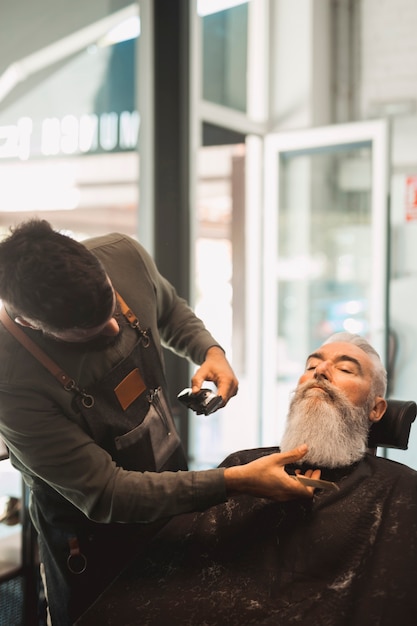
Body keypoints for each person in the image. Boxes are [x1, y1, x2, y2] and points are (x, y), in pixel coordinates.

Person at [0, 219, 318, 625]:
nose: (114, 327)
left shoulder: (121, 255)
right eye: (91, 333)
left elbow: (168, 310)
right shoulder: (11, 380)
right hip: (94, 538)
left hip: (173, 487)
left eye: (112, 307)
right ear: (32, 325)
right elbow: (107, 493)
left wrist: (209, 350)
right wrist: (235, 481)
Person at [75, 332, 417, 626]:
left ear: (377, 410)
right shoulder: (242, 465)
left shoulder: (401, 492)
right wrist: (235, 481)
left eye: (344, 369)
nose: (320, 372)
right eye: (311, 366)